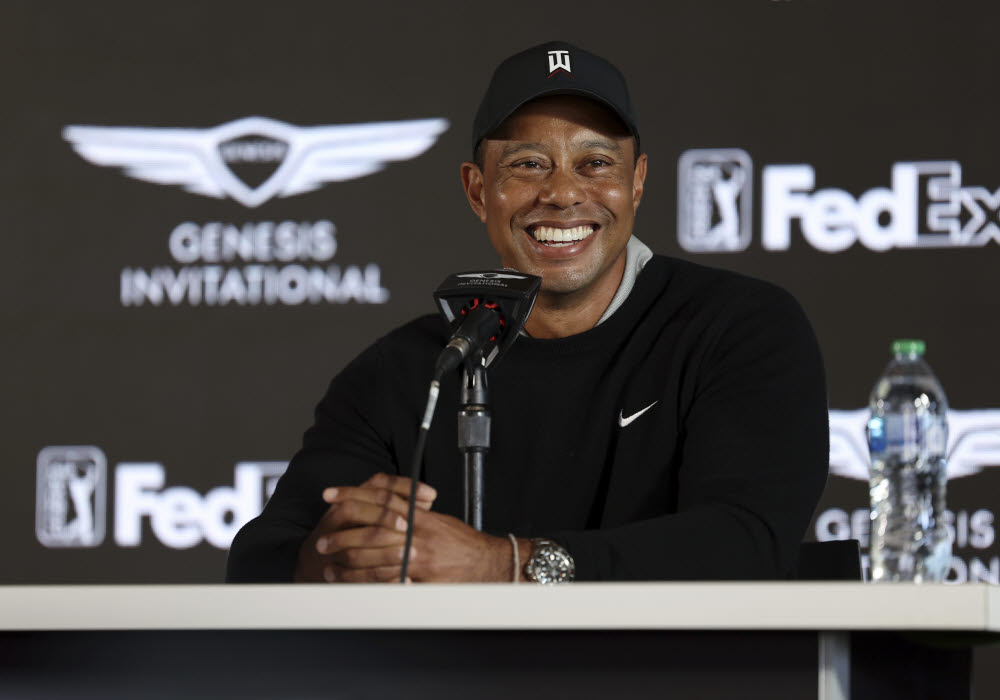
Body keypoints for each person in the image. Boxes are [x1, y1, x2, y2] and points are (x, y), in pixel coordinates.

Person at [226, 41, 829, 584]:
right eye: (528, 164)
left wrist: (504, 564)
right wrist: (334, 557)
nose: (564, 193)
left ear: (638, 182)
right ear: (477, 189)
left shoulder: (737, 327)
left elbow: (746, 545)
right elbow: (261, 560)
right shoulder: (412, 369)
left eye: (595, 162)